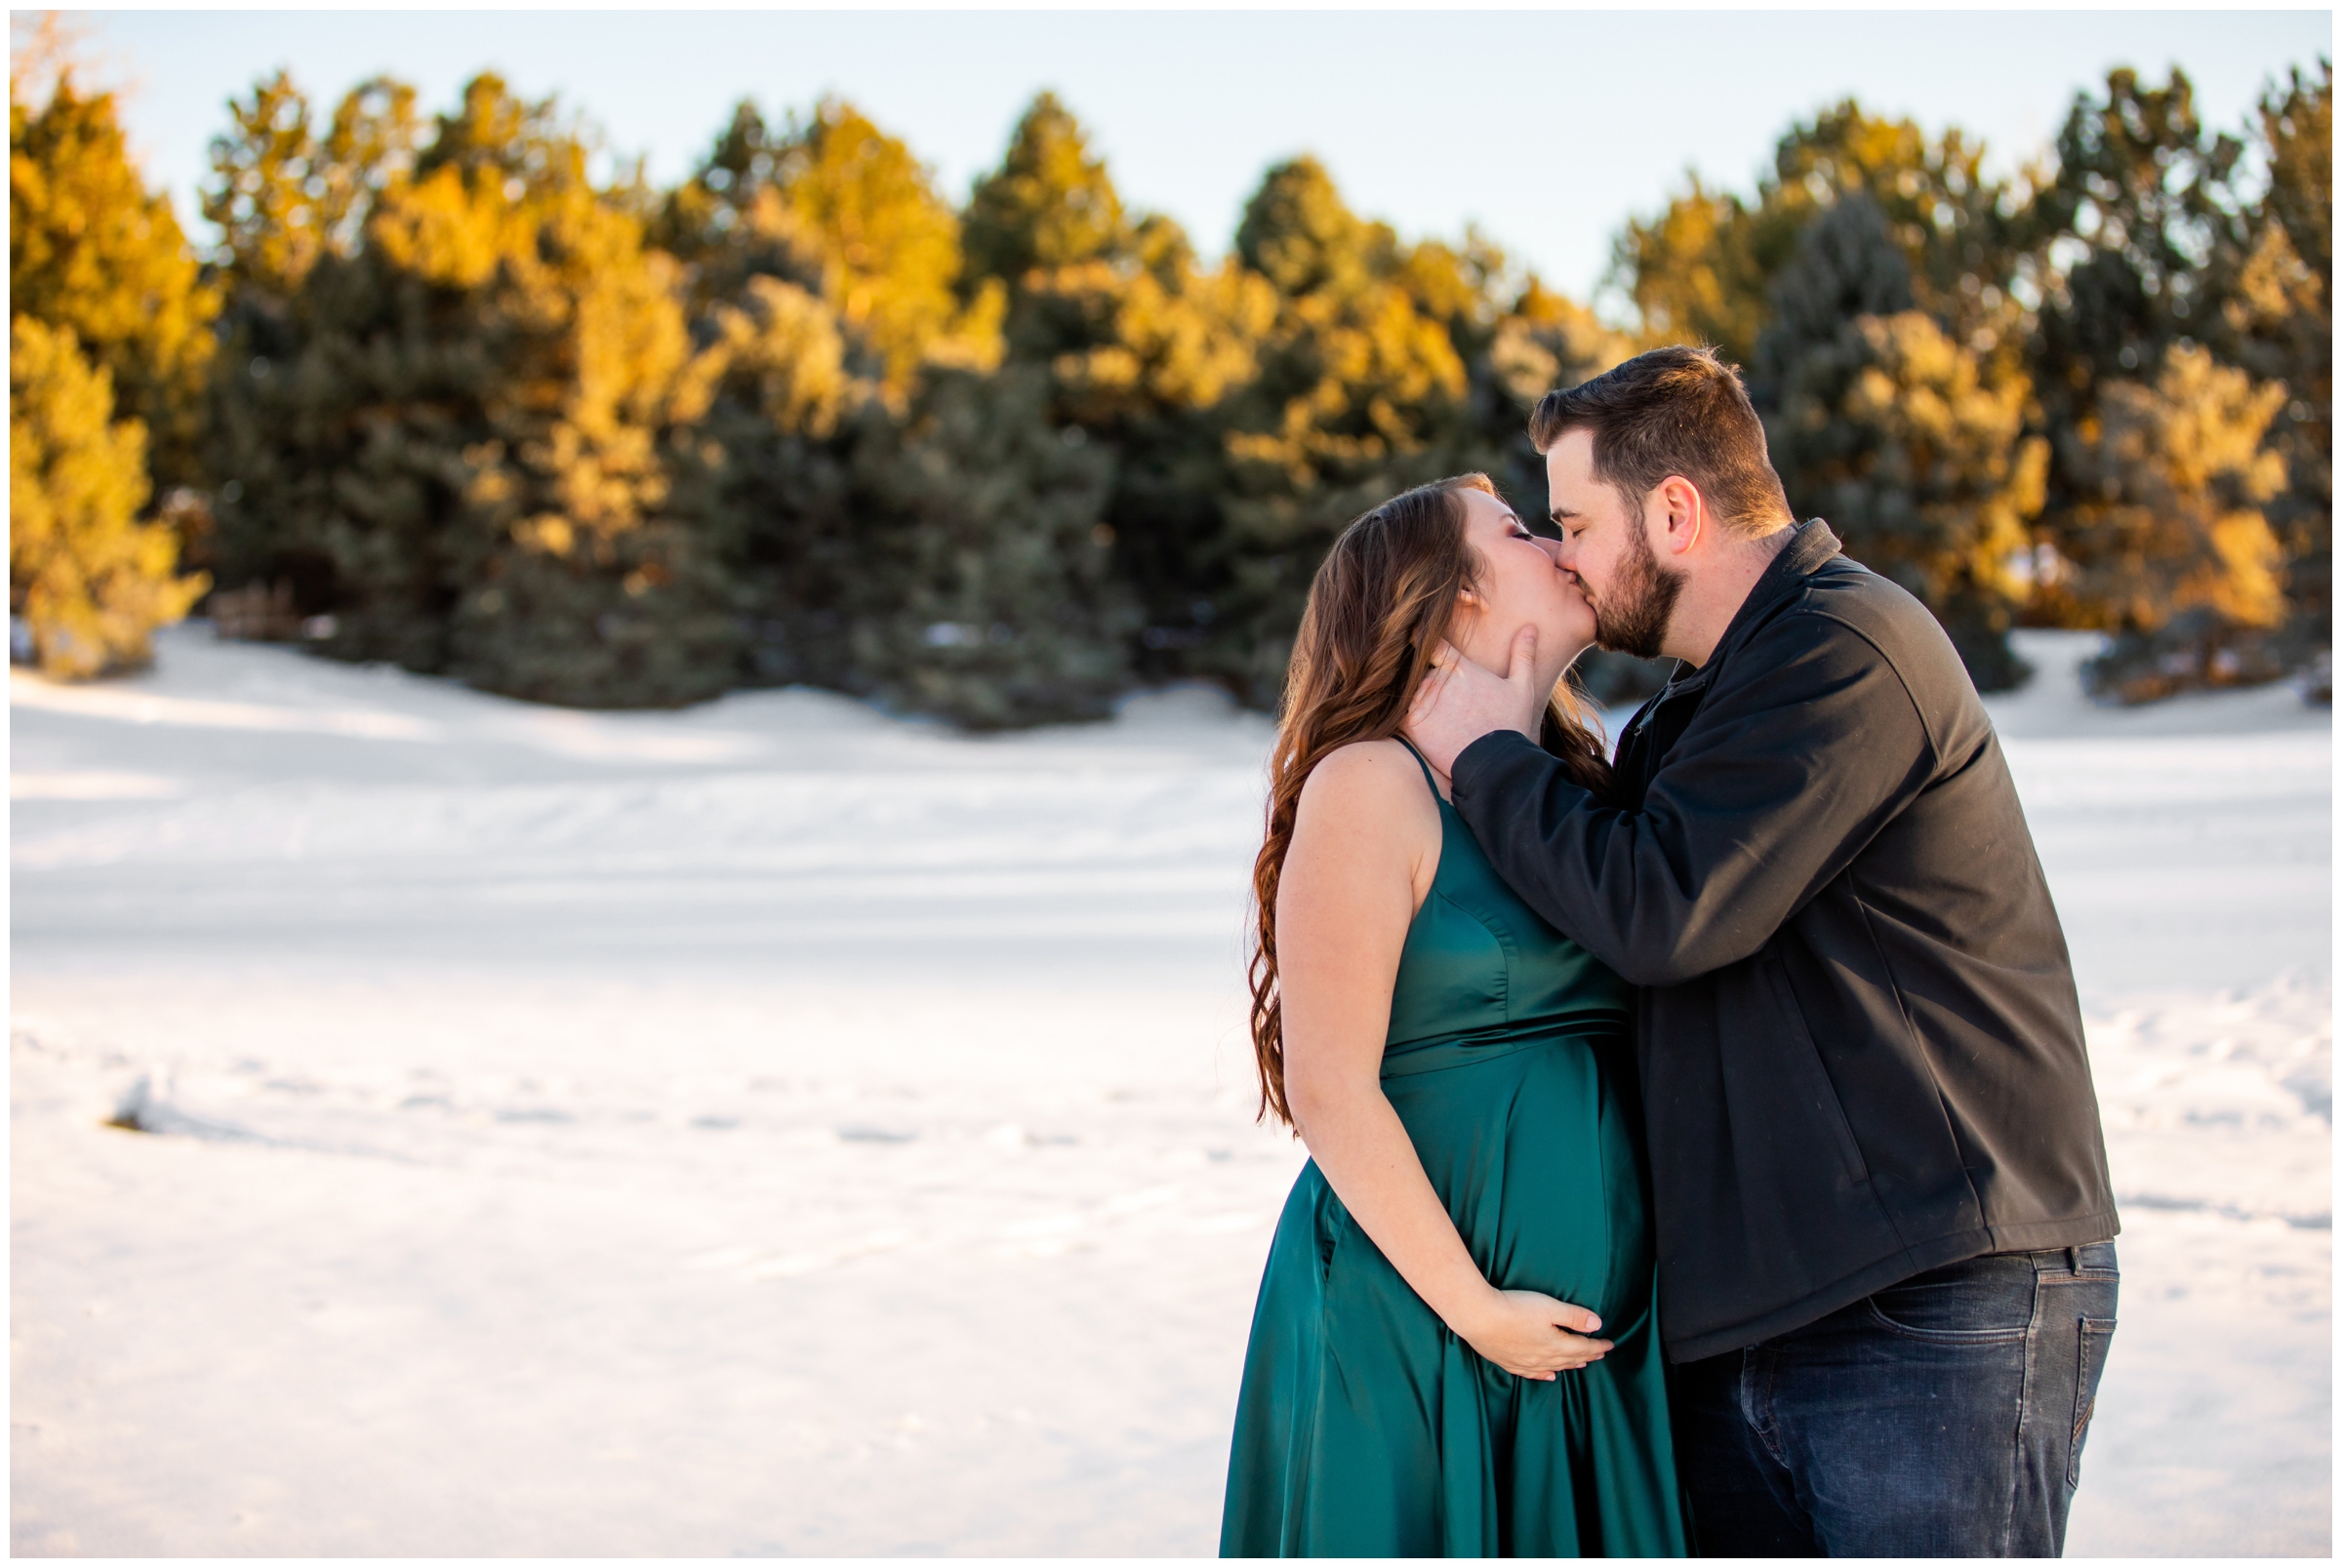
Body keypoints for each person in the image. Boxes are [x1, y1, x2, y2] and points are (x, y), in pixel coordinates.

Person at [1405, 345, 2120, 1557]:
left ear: (1674, 511)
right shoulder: (1694, 706)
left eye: (1574, 522)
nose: (1563, 553)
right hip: (1753, 1319)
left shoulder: (1849, 647)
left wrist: (1487, 755)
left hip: (1932, 1296)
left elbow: (1667, 911)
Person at [1218, 472, 1691, 1558]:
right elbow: (1332, 1088)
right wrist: (1476, 1310)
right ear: (1455, 601)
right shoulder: (1372, 783)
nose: (1564, 549)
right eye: (1524, 533)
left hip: (1590, 1351)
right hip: (1420, 1326)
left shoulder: (1574, 788)